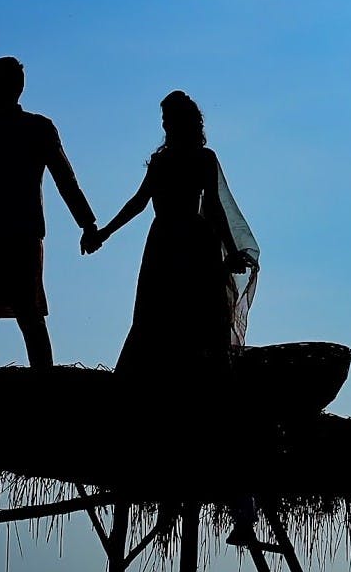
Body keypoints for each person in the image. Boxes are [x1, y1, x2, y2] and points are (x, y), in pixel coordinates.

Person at [0, 56, 99, 376]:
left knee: (26, 311)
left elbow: (65, 179)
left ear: (11, 87)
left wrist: (87, 222)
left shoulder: (35, 128)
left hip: (13, 233)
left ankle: (42, 377)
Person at [84, 90, 259, 379]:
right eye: (164, 119)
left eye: (169, 119)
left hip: (186, 242)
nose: (165, 125)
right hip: (171, 243)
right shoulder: (166, 161)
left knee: (191, 315)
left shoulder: (198, 159)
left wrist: (230, 249)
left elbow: (214, 207)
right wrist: (104, 233)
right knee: (161, 314)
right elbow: (138, 202)